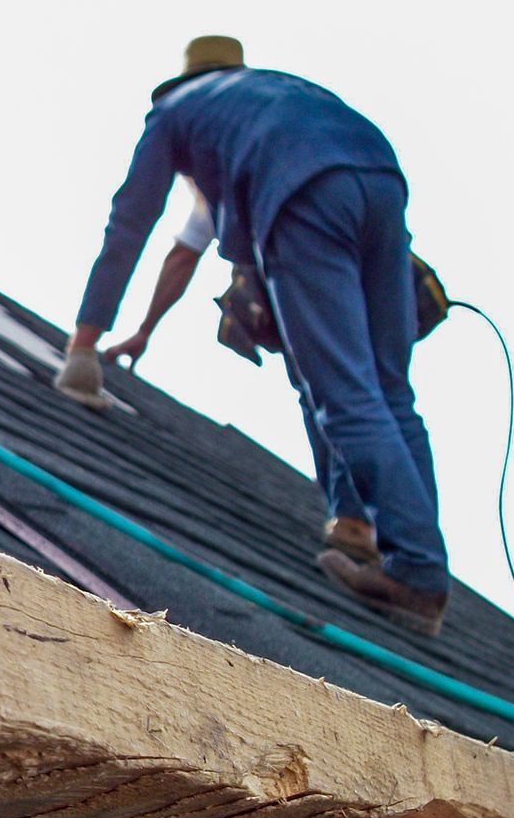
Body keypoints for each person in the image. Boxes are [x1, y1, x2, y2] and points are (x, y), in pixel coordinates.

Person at [57, 36, 449, 634]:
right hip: (380, 180)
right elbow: (193, 250)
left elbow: (131, 220)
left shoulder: (176, 113)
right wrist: (142, 331)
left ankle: (415, 573)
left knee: (342, 393)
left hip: (304, 194)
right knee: (389, 391)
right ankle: (376, 536)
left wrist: (85, 344)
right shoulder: (270, 93)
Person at [98, 188, 384, 570]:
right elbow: (183, 256)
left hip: (327, 273)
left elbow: (183, 257)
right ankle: (383, 527)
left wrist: (144, 330)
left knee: (328, 393)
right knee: (356, 393)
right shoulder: (253, 170)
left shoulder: (225, 178)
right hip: (367, 264)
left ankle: (357, 518)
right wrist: (144, 331)